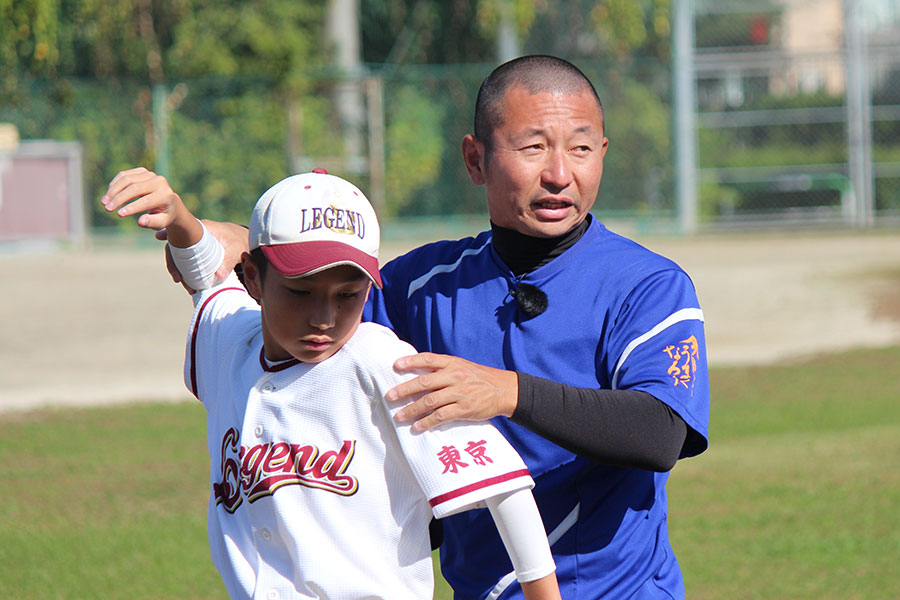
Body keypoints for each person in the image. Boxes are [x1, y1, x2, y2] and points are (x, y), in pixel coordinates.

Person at [172, 54, 710, 599]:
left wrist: (506, 393)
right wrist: (244, 242)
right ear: (475, 160)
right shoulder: (420, 284)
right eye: (533, 147)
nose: (560, 173)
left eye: (581, 147)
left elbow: (662, 431)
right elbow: (317, 302)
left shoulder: (648, 285)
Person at [100, 167, 562, 600]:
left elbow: (505, 488)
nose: (324, 317)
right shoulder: (230, 339)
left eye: (348, 295)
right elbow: (205, 277)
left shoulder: (382, 363)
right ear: (253, 279)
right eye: (300, 291)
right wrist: (179, 217)